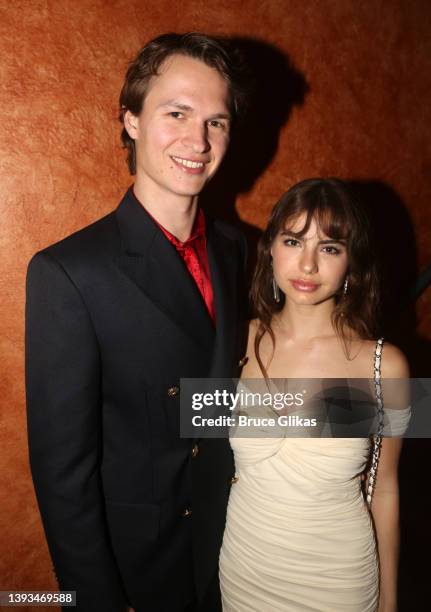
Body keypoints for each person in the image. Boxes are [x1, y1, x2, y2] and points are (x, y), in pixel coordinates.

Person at [26, 33, 249, 612]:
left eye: (217, 122)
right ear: (130, 120)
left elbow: (226, 404)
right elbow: (62, 477)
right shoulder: (68, 272)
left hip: (244, 553)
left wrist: (390, 402)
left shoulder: (245, 251)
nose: (198, 141)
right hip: (142, 573)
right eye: (177, 113)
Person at [219, 178, 409, 612]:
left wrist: (391, 601)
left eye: (329, 248)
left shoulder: (388, 366)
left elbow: (386, 491)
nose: (307, 265)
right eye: (293, 240)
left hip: (338, 579)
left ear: (350, 263)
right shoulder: (236, 343)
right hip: (245, 571)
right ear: (270, 249)